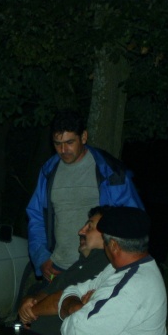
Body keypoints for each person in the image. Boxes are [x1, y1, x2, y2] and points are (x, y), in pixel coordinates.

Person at [26, 109, 143, 285]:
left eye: (69, 142)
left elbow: (133, 222)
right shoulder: (48, 172)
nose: (63, 150)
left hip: (100, 269)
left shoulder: (111, 172)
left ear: (84, 137)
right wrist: (42, 257)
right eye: (57, 144)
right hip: (59, 268)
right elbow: (36, 218)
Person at [57, 207, 166, 335]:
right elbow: (74, 289)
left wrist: (74, 307)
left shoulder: (133, 286)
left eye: (105, 242)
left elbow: (72, 332)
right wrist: (77, 308)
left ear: (114, 245)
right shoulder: (121, 269)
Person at [18, 206, 111, 335]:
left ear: (107, 234)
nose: (80, 232)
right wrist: (29, 302)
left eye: (89, 227)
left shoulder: (107, 267)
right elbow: (47, 292)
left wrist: (33, 310)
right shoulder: (78, 266)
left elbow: (62, 299)